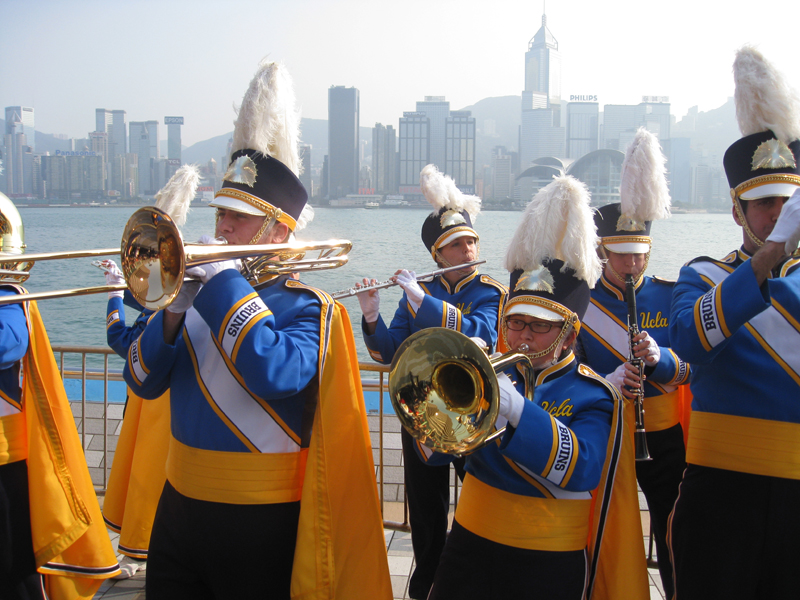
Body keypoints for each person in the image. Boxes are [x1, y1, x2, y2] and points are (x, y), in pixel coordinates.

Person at [122, 60, 391, 599]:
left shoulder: (311, 308)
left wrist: (221, 284)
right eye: (220, 215)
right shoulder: (195, 295)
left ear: (279, 229)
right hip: (178, 509)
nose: (221, 228)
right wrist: (172, 310)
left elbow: (276, 372)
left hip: (261, 521)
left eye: (237, 219)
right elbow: (141, 378)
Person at [406, 176, 647, 599]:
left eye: (538, 326)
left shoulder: (595, 395)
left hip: (547, 564)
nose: (521, 337)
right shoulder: (491, 379)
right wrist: (432, 407)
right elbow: (431, 454)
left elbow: (581, 470)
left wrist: (515, 408)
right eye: (515, 322)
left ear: (569, 336)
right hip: (468, 549)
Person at [668, 46, 800, 599]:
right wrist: (770, 255)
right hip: (720, 493)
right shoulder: (703, 276)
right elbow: (689, 339)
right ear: (737, 212)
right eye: (764, 203)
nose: (776, 213)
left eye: (786, 202)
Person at [356, 163, 506, 600]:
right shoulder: (419, 290)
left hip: (473, 411)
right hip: (423, 410)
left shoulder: (490, 291)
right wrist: (371, 314)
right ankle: (425, 584)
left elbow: (479, 333)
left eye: (470, 242)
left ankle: (474, 581)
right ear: (438, 255)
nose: (467, 249)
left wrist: (424, 303)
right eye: (456, 245)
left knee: (480, 499)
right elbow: (389, 352)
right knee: (425, 509)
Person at [579, 128, 687, 599]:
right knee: (607, 530)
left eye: (638, 255)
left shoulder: (669, 292)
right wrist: (606, 380)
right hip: (608, 430)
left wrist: (661, 361)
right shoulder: (579, 305)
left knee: (672, 531)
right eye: (621, 255)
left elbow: (692, 369)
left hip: (663, 432)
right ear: (602, 251)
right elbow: (568, 370)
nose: (630, 264)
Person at [0, 192, 120, 600]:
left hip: (6, 460)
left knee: (13, 565)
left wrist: (117, 293)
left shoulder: (10, 295)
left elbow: (8, 345)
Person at [100, 164, 199, 579]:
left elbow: (121, 342)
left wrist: (111, 295)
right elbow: (147, 304)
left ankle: (146, 550)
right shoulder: (163, 307)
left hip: (150, 406)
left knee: (148, 478)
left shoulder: (160, 311)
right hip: (165, 405)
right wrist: (121, 285)